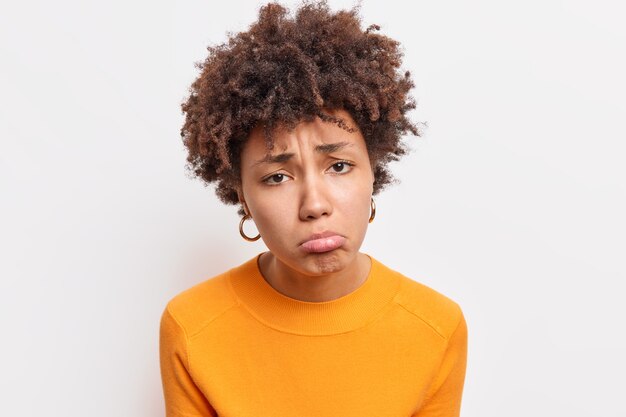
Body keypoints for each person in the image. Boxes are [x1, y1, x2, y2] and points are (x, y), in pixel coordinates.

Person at [159, 1, 468, 416]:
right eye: (277, 177)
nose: (315, 206)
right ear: (242, 196)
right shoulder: (192, 327)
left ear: (373, 170)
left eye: (339, 166)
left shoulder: (435, 326)